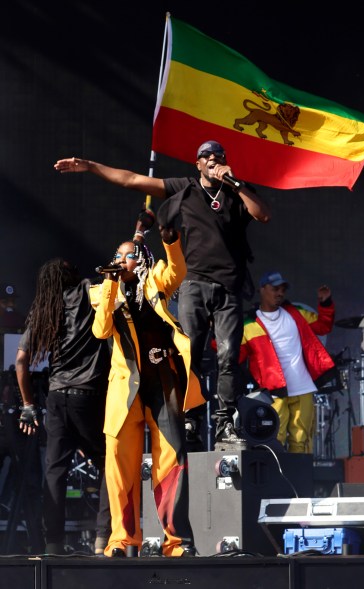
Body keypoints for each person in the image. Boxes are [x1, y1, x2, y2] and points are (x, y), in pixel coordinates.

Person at [54, 139, 271, 449]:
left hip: (230, 286)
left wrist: (237, 184)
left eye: (217, 156)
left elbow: (263, 214)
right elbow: (132, 180)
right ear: (197, 164)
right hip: (194, 283)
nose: (212, 159)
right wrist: (92, 167)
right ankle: (191, 419)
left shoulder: (236, 191)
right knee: (188, 354)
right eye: (205, 156)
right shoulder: (186, 188)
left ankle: (225, 421)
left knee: (227, 357)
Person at [90, 208, 205, 558]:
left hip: (163, 384)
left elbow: (177, 271)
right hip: (125, 392)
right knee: (120, 469)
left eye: (129, 256)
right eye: (118, 256)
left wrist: (170, 241)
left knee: (170, 462)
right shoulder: (102, 291)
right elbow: (101, 330)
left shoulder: (155, 281)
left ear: (141, 260)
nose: (123, 260)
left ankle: (175, 543)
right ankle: (123, 541)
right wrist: (112, 282)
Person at [15, 258, 111, 555]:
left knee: (55, 471)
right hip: (89, 395)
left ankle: (52, 545)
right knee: (109, 462)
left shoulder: (45, 308)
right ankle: (103, 538)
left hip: (57, 398)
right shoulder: (89, 294)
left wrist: (28, 405)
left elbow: (21, 361)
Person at [239, 271, 337, 453]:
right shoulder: (248, 323)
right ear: (262, 289)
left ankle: (301, 481)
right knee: (274, 440)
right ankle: (275, 481)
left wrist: (325, 303)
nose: (280, 293)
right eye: (275, 288)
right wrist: (218, 332)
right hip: (273, 392)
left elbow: (324, 326)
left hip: (303, 388)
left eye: (283, 289)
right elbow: (234, 355)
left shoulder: (296, 313)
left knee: (302, 441)